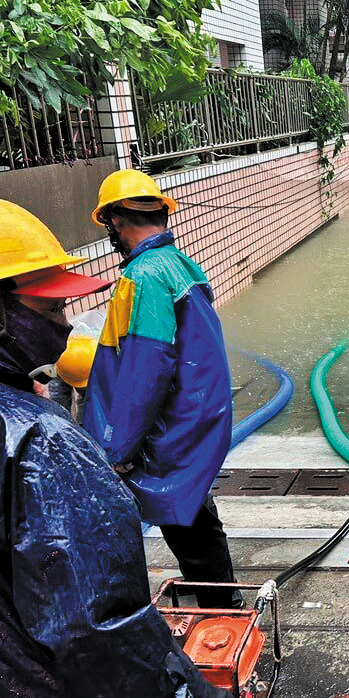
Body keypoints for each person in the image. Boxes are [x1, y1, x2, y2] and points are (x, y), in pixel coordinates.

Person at [0, 187, 246, 698]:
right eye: (52, 308)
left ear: (114, 221)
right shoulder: (39, 443)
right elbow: (95, 629)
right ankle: (221, 606)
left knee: (191, 529)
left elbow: (138, 381)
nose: (64, 326)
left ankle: (217, 598)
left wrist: (110, 448)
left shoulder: (143, 279)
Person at [84, 170, 240, 609]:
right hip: (193, 416)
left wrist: (119, 451)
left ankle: (221, 609)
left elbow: (145, 372)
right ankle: (218, 593)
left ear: (114, 219)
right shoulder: (178, 263)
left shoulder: (143, 276)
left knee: (183, 518)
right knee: (192, 510)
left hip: (166, 426)